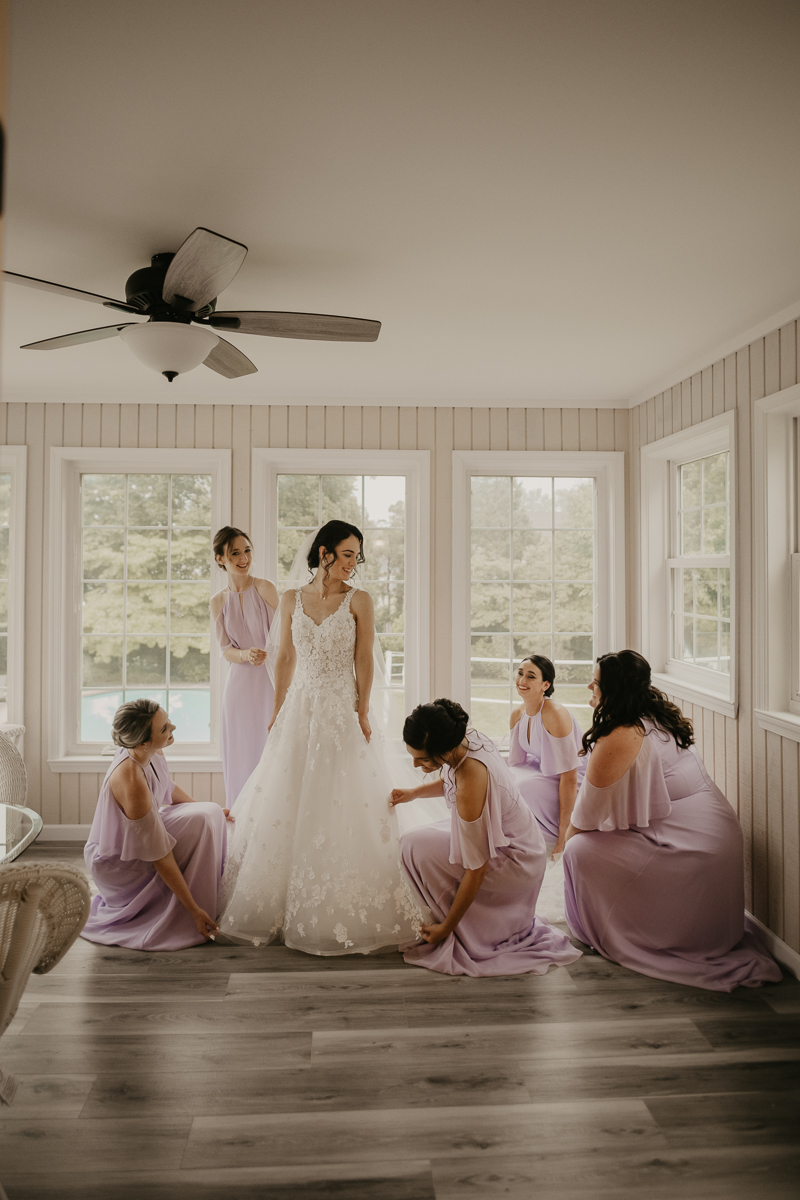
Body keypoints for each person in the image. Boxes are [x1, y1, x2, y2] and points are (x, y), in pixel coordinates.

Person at [218, 520, 422, 954]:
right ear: (324, 553)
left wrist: (363, 710)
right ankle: (283, 902)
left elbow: (364, 659)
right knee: (289, 794)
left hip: (341, 705)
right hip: (300, 705)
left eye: (357, 556)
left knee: (343, 797)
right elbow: (286, 656)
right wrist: (276, 709)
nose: (354, 563)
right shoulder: (291, 599)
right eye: (348, 554)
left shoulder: (359, 600)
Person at [563, 650, 782, 992]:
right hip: (716, 836)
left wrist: (560, 849)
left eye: (597, 682)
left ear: (616, 691)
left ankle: (635, 931)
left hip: (693, 850)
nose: (589, 685)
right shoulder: (652, 713)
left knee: (578, 849)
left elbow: (584, 818)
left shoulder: (621, 734)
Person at [391, 698, 582, 976]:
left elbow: (476, 869)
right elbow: (450, 779)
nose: (415, 764)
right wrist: (414, 793)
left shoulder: (471, 780)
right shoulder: (467, 738)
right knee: (419, 839)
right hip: (525, 842)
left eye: (421, 759)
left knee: (413, 846)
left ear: (443, 751)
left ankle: (468, 925)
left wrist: (447, 928)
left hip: (516, 860)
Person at [82, 699, 229, 951]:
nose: (173, 727)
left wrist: (202, 807)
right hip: (118, 861)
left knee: (210, 813)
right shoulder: (131, 780)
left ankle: (213, 894)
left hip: (140, 836)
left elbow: (167, 788)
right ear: (142, 742)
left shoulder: (151, 750)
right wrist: (192, 910)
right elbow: (159, 854)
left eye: (167, 720)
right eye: (164, 728)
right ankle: (197, 906)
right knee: (204, 818)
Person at [210, 526, 278, 813]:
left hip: (271, 679)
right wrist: (246, 654)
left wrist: (267, 652)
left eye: (247, 550)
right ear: (220, 559)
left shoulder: (265, 587)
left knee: (270, 748)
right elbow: (226, 650)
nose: (243, 558)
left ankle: (270, 818)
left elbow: (288, 631)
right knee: (240, 752)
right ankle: (241, 820)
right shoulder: (218, 601)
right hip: (238, 688)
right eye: (235, 553)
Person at [508, 655, 587, 855]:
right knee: (508, 783)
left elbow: (569, 777)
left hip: (576, 776)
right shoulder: (517, 714)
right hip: (545, 768)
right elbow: (515, 764)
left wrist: (563, 837)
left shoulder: (555, 714)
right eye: (520, 673)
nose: (522, 681)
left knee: (522, 786)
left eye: (531, 676)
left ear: (545, 684)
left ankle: (556, 831)